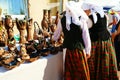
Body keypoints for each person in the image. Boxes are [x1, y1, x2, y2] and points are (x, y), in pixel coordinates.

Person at [53, 1, 91, 80]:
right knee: (80, 73)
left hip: (68, 50)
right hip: (79, 51)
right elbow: (86, 37)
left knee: (70, 73)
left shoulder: (63, 20)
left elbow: (56, 34)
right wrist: (88, 51)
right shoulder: (81, 20)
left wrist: (53, 39)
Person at [82, 3, 119, 80]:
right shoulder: (104, 16)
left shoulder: (90, 18)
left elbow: (85, 31)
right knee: (104, 62)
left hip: (95, 42)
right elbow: (105, 27)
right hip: (106, 41)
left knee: (94, 63)